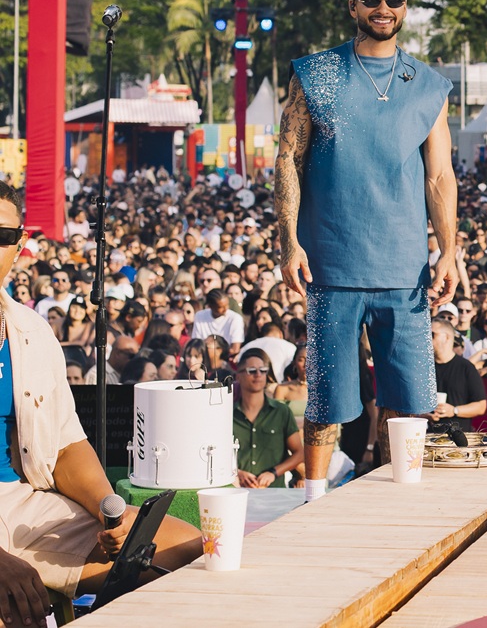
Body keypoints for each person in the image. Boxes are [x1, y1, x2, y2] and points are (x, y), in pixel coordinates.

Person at [276, 0, 458, 502]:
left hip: (405, 268)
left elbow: (440, 173)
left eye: (395, 0)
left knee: (411, 399)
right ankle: (313, 501)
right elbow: (288, 158)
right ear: (353, 4)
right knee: (326, 399)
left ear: (405, 8)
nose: (384, 9)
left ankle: (402, 498)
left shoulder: (428, 85)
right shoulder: (316, 72)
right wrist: (289, 241)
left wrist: (450, 250)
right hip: (331, 262)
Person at [0, 181, 201, 623]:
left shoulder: (31, 332)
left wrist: (108, 511)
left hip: (21, 504)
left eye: (1, 236)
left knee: (185, 548)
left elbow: (68, 445)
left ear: (19, 246)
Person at [232, 349, 303, 488]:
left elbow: (299, 453)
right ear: (238, 376)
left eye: (263, 370)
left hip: (274, 494)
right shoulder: (227, 414)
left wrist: (273, 473)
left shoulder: (281, 412)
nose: (258, 374)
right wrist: (236, 473)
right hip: (238, 493)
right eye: (251, 370)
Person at [430, 321, 487, 432]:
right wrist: (424, 415)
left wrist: (454, 410)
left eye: (432, 334)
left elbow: (481, 406)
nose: (427, 338)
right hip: (429, 437)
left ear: (446, 337)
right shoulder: (424, 368)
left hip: (458, 440)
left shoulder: (466, 367)